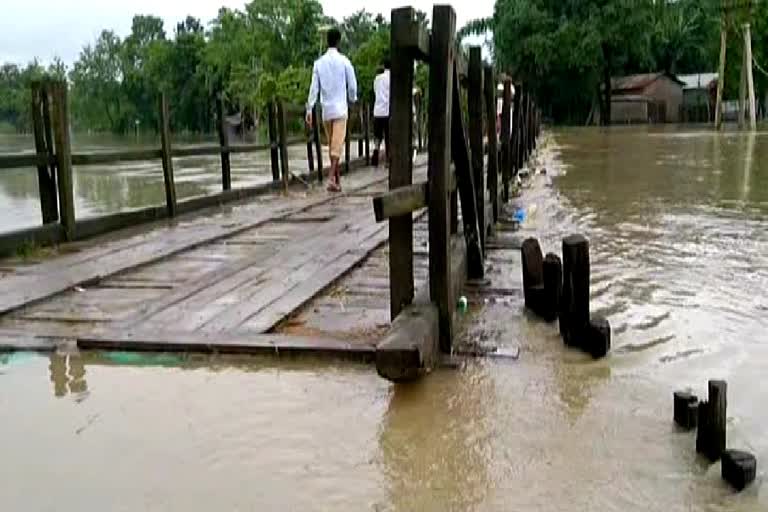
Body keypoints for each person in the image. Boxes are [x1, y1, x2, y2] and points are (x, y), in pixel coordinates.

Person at [306, 28, 358, 192]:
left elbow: (314, 88)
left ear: (327, 41)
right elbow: (352, 84)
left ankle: (336, 181)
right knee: (337, 145)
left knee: (332, 145)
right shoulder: (345, 61)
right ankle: (330, 178)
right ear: (339, 41)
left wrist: (309, 108)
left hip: (326, 110)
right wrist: (353, 99)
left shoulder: (318, 63)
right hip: (340, 109)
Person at [372, 59, 390, 167]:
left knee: (377, 135)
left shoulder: (377, 79)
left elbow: (375, 91)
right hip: (388, 111)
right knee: (388, 137)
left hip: (377, 110)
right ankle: (388, 160)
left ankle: (376, 151)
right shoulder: (392, 79)